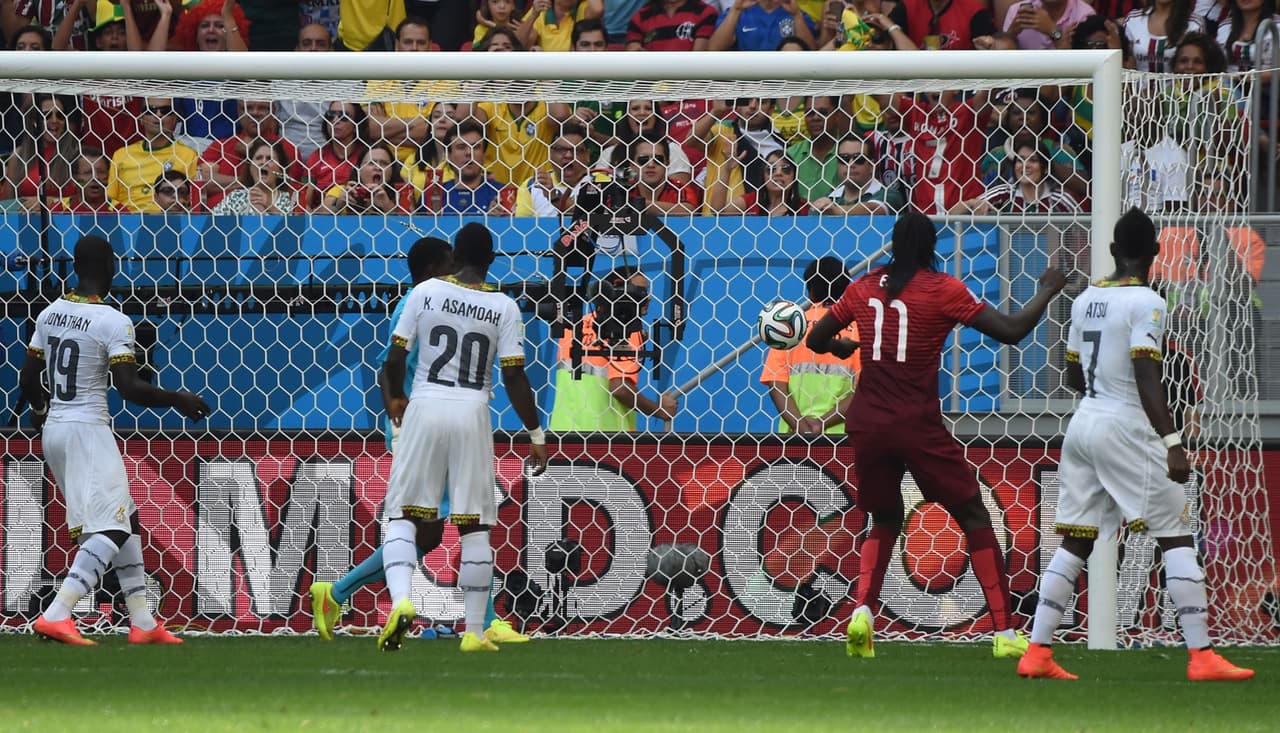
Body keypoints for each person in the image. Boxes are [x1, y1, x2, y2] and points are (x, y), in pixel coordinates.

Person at [806, 210, 1066, 659]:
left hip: (867, 420)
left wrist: (841, 346)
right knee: (973, 515)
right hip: (916, 422)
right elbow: (1012, 331)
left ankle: (862, 614)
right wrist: (1046, 289)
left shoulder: (864, 286)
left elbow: (816, 339)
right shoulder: (944, 289)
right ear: (931, 247)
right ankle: (1004, 633)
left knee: (883, 518)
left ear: (892, 244)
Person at [1016, 207, 1255, 682]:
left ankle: (1037, 651)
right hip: (1125, 424)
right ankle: (1202, 656)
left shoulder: (1085, 300)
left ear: (1111, 251)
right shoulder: (1148, 302)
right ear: (1156, 253)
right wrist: (1172, 441)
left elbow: (1071, 376)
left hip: (1083, 423)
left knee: (1076, 539)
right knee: (1175, 533)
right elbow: (1147, 375)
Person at [309, 236, 529, 646]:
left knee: (432, 532)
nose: (455, 270)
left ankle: (335, 594)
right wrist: (396, 417)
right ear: (431, 270)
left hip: (434, 425)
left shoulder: (444, 299)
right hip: (420, 428)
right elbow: (387, 366)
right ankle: (487, 621)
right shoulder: (420, 299)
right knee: (466, 522)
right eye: (448, 263)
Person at [21, 235, 210, 646]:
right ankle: (58, 612)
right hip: (88, 428)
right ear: (111, 266)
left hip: (55, 428)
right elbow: (129, 388)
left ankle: (142, 621)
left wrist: (41, 416)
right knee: (112, 525)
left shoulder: (49, 313)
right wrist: (177, 399)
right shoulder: (113, 320)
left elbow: (28, 379)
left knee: (127, 517)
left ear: (75, 265)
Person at [377, 223, 549, 653]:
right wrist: (535, 432)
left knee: (402, 516)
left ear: (455, 253)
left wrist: (396, 399)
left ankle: (401, 602)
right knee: (475, 528)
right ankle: (474, 632)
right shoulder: (505, 307)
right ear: (492, 260)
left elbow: (395, 357)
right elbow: (513, 375)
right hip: (473, 410)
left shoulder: (425, 293)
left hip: (425, 405)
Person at [549, 267, 680, 431]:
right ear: (617, 293)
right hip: (606, 438)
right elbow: (620, 388)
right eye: (640, 291)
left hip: (563, 433)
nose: (648, 297)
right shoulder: (628, 330)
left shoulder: (574, 326)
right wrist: (659, 410)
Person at [761, 257, 860, 435]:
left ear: (811, 290)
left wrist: (800, 426)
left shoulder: (790, 327)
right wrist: (820, 424)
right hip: (841, 442)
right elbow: (863, 390)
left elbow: (776, 384)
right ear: (846, 288)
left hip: (793, 438)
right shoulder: (859, 330)